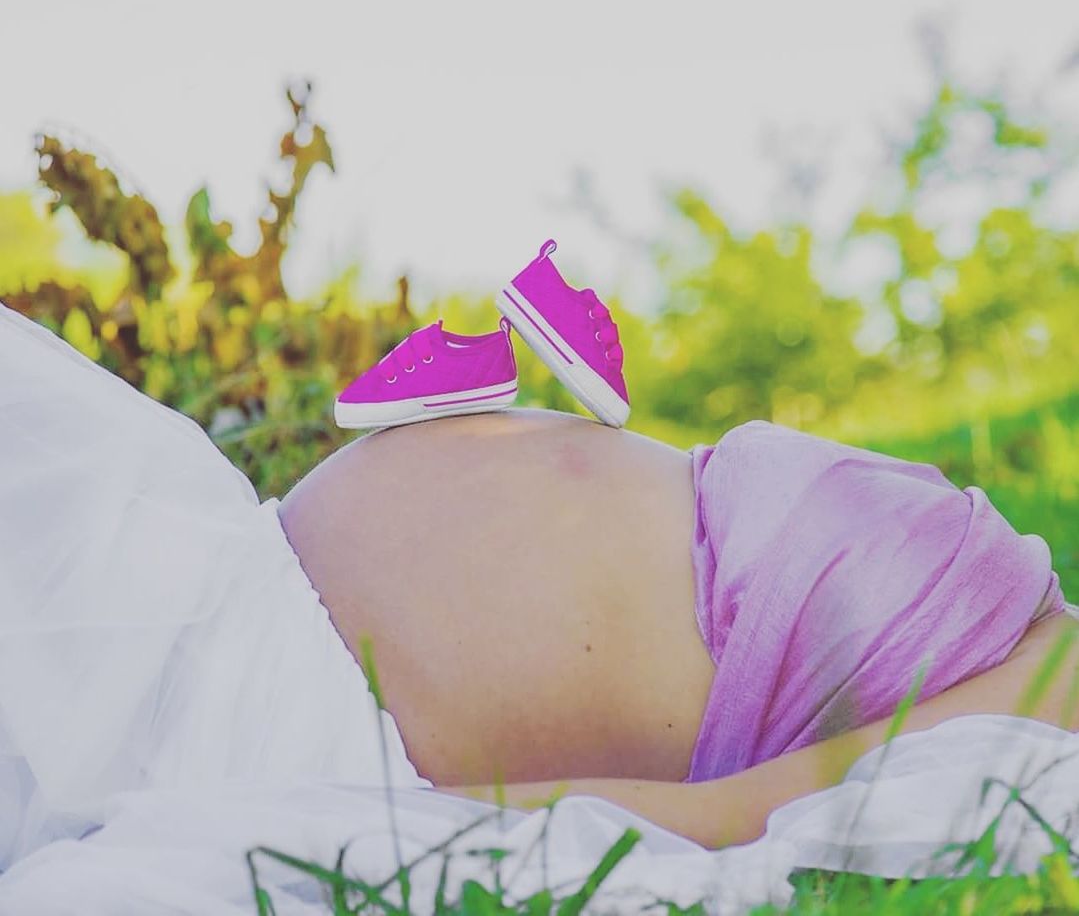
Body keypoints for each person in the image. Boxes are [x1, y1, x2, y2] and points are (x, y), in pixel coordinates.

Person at [1, 286, 1076, 870]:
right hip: (200, 552)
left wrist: (377, 818)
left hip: (256, 728)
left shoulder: (1044, 720)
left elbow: (728, 815)